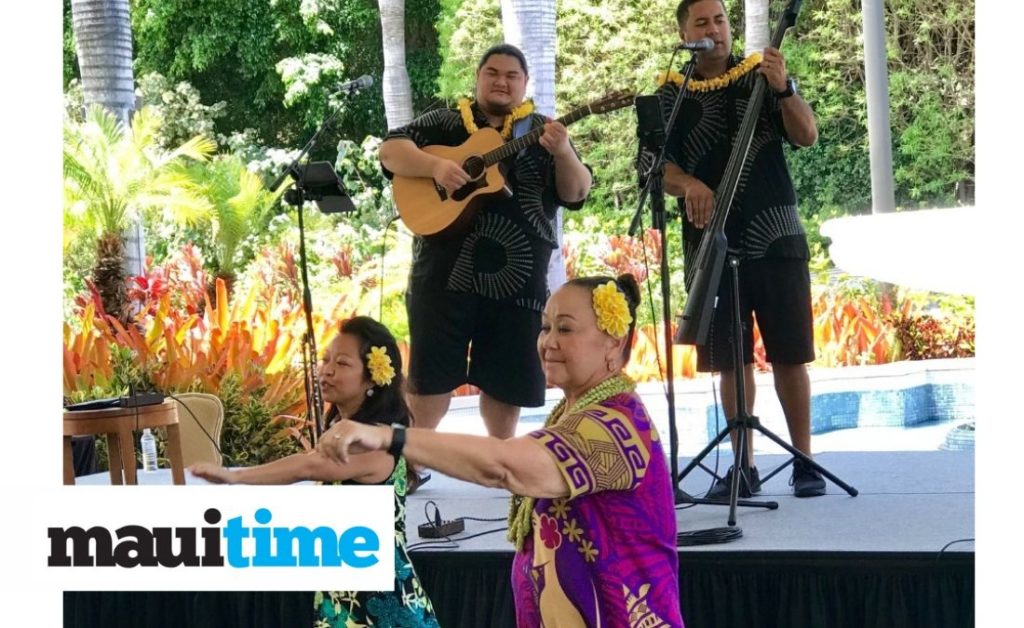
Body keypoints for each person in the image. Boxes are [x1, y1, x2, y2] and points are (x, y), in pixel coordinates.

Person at [319, 275, 684, 627]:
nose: (548, 341)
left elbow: (503, 466)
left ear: (614, 342)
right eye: (545, 327)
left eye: (566, 329)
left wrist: (393, 438)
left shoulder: (618, 428)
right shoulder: (573, 415)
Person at [379, 43, 593, 441]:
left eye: (512, 76)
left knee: (506, 385)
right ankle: (407, 466)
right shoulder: (445, 123)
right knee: (430, 383)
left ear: (525, 84)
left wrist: (563, 153)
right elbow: (391, 150)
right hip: (444, 277)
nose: (501, 81)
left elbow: (577, 192)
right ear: (478, 78)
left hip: (518, 283)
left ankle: (502, 465)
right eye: (492, 72)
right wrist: (437, 166)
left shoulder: (545, 131)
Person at [658, 0, 825, 498]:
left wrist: (784, 87)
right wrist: (689, 183)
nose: (716, 29)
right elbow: (655, 165)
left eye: (722, 20)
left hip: (774, 234)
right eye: (703, 22)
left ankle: (805, 462)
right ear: (685, 32)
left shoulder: (762, 75)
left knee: (790, 353)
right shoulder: (670, 94)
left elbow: (806, 134)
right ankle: (743, 467)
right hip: (712, 242)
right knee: (731, 358)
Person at [189, 316, 439, 628]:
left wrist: (235, 476)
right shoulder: (348, 432)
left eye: (343, 363)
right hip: (345, 594)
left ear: (373, 378)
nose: (327, 370)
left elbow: (308, 466)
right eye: (325, 360)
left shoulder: (374, 441)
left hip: (379, 603)